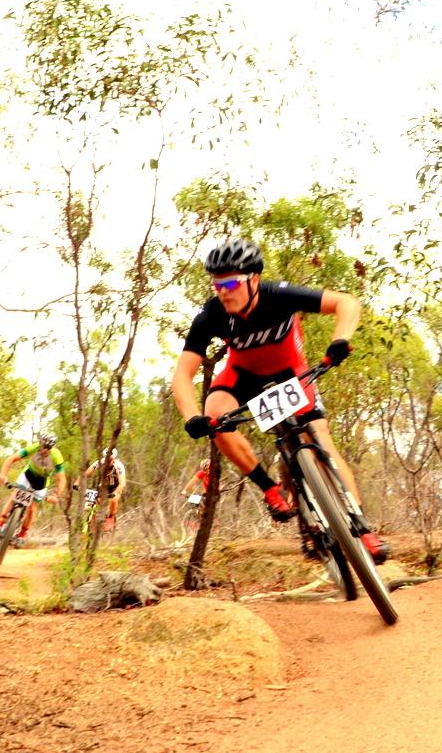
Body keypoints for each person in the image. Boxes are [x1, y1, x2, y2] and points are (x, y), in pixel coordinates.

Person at [170, 237, 387, 564]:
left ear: (254, 279)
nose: (223, 291)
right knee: (215, 416)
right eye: (216, 284)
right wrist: (191, 418)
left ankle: (360, 526)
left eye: (230, 282)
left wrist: (340, 340)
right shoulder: (211, 315)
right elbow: (182, 375)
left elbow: (347, 303)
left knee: (320, 439)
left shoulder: (279, 295)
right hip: (243, 377)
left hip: (291, 373)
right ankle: (270, 488)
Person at [0, 433, 67, 545]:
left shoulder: (56, 456)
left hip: (41, 482)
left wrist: (56, 496)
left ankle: (22, 535)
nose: (44, 450)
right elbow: (12, 458)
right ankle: (0, 524)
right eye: (42, 447)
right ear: (40, 444)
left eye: (47, 449)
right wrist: (3, 474)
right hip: (27, 476)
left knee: (32, 508)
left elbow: (62, 479)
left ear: (52, 448)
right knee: (14, 497)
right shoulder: (34, 447)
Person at [79, 446, 128, 534]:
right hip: (104, 486)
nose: (108, 461)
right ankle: (92, 526)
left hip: (115, 486)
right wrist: (77, 483)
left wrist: (115, 493)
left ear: (114, 459)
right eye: (106, 459)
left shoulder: (119, 465)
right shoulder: (99, 462)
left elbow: (122, 483)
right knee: (94, 502)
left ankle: (111, 517)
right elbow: (85, 474)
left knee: (114, 499)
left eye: (110, 459)